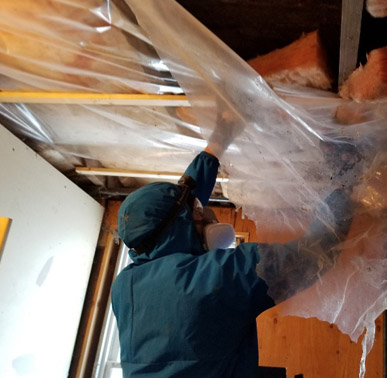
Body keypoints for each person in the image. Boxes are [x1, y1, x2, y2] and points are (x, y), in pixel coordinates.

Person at [111, 142, 356, 378]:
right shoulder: (220, 276)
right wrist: (346, 183)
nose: (204, 215)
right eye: (196, 213)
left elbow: (172, 212)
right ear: (180, 226)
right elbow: (313, 253)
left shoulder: (125, 287)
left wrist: (214, 149)